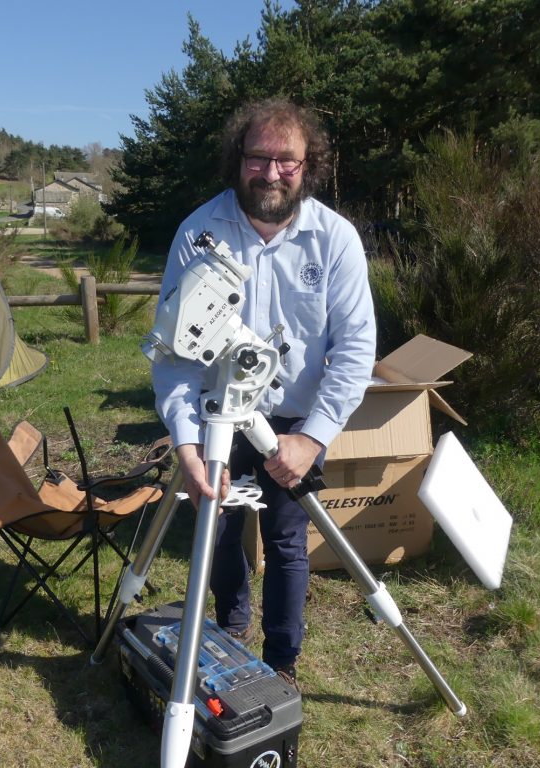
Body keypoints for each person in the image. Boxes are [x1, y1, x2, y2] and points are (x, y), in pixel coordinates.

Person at [151, 97, 376, 686]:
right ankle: (230, 631)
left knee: (286, 539)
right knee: (217, 530)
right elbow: (172, 353)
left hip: (295, 423)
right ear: (237, 159)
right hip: (215, 417)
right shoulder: (197, 233)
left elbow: (355, 352)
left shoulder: (336, 241)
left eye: (288, 161)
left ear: (309, 166)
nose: (272, 172)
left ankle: (281, 662)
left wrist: (313, 438)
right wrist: (186, 446)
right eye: (258, 157)